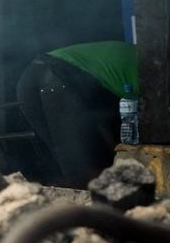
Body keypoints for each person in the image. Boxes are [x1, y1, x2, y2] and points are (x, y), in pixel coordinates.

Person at [15, 41, 138, 189]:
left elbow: (104, 122)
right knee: (90, 175)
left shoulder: (132, 64)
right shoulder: (157, 73)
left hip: (29, 79)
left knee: (72, 167)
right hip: (57, 78)